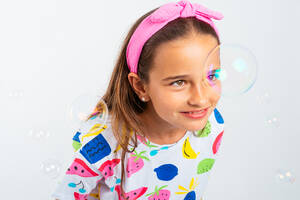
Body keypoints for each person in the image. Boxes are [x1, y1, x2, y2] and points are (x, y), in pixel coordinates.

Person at [51, 0, 225, 199]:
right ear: (141, 86)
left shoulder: (212, 124)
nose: (201, 99)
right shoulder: (101, 141)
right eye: (179, 82)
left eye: (211, 76)